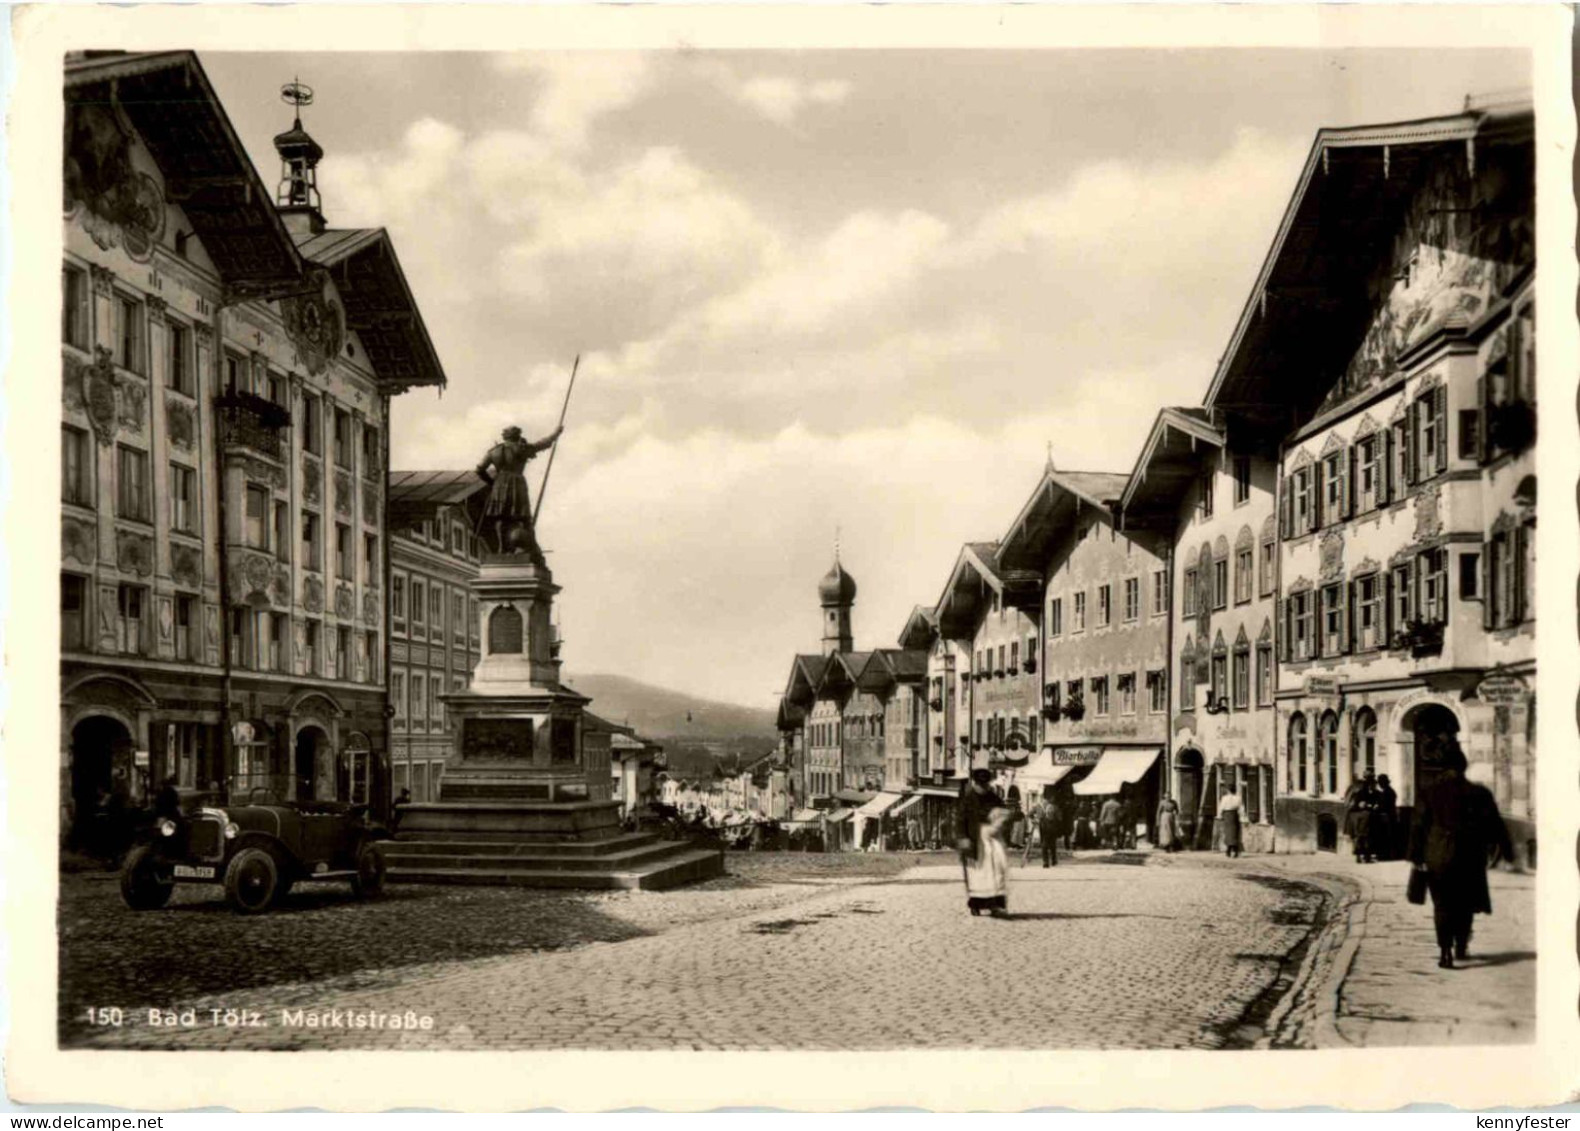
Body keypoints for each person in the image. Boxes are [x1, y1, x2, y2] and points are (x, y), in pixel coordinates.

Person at [1408, 740, 1514, 969]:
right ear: (1464, 768)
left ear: (1441, 768)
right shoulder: (1478, 793)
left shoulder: (1428, 793)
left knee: (1442, 905)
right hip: (1470, 857)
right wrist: (1507, 850)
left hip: (1438, 857)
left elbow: (1418, 827)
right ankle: (1461, 945)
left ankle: (1445, 952)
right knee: (1465, 904)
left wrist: (1417, 858)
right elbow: (1494, 824)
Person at [474, 423, 564, 561]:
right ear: (517, 436)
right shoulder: (521, 448)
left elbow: (479, 470)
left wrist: (492, 483)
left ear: (504, 436)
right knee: (523, 517)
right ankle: (530, 547)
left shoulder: (493, 451)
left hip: (499, 484)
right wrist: (556, 433)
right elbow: (541, 444)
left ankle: (502, 548)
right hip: (517, 483)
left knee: (500, 517)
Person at [958, 768, 1011, 917]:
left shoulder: (993, 797)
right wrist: (963, 837)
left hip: (993, 838)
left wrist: (1000, 818)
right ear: (975, 783)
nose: (983, 787)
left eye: (985, 784)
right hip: (975, 839)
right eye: (980, 784)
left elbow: (1003, 811)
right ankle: (976, 904)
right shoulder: (968, 799)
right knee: (978, 873)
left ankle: (996, 904)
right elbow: (960, 820)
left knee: (997, 868)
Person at [1347, 774, 1377, 863]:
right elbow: (1362, 804)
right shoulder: (1364, 790)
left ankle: (1359, 856)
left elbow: (1351, 802)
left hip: (1353, 815)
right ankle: (1366, 856)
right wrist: (1371, 805)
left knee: (1357, 836)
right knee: (1365, 835)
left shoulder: (1355, 787)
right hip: (1363, 815)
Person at [1374, 774, 1399, 860]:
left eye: (1380, 783)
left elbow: (1385, 805)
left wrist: (1377, 807)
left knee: (1385, 836)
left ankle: (1385, 856)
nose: (1379, 785)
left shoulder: (1388, 792)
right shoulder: (1388, 791)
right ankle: (1386, 855)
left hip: (1387, 817)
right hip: (1389, 816)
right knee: (1386, 836)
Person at [1034, 794, 1061, 868]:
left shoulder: (1055, 820)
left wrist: (1057, 835)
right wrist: (1041, 838)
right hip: (1045, 835)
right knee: (1044, 848)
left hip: (1052, 835)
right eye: (1048, 810)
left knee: (1053, 848)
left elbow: (1057, 828)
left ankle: (1054, 860)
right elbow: (1041, 829)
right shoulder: (1043, 820)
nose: (1050, 812)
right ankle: (1045, 862)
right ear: (1046, 811)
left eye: (1051, 810)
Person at [1218, 787, 1244, 859]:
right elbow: (1241, 808)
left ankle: (1229, 850)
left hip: (1227, 815)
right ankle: (1235, 850)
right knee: (1235, 832)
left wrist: (1219, 815)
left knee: (1228, 832)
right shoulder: (1238, 798)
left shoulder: (1224, 798)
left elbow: (1221, 807)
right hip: (1234, 814)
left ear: (1228, 790)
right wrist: (1242, 816)